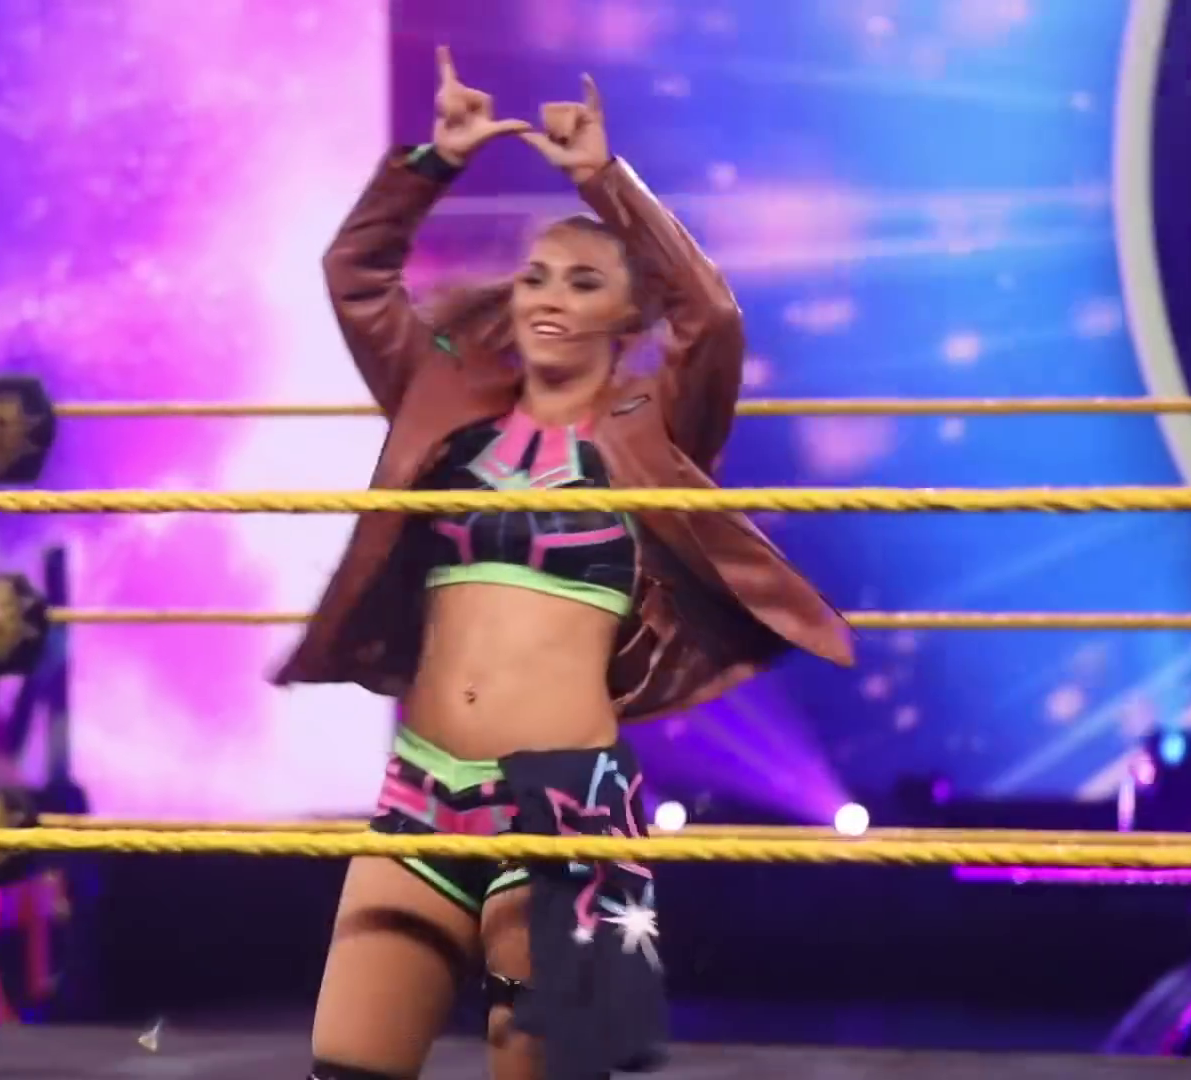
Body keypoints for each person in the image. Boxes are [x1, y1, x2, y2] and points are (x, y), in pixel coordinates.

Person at [274, 49, 856, 1080]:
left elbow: (712, 316)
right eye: (536, 274)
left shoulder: (655, 432)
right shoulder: (447, 402)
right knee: (345, 1069)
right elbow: (353, 274)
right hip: (420, 793)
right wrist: (432, 161)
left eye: (583, 281)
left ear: (627, 318)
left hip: (570, 807)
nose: (547, 295)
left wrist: (601, 178)